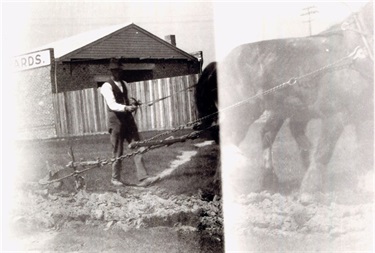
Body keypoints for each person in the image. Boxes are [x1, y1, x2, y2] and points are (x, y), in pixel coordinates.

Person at [100, 58, 153, 187]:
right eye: (115, 70)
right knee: (117, 151)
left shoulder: (124, 83)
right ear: (111, 71)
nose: (118, 72)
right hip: (116, 122)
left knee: (138, 146)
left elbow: (127, 99)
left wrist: (133, 103)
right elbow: (112, 105)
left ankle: (143, 178)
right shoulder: (106, 86)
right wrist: (126, 108)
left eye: (119, 70)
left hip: (128, 121)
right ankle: (115, 178)